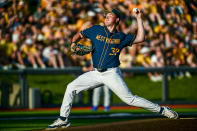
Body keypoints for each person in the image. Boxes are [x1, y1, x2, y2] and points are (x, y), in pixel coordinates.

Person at [47, 8, 178, 130]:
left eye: (110, 15)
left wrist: (138, 18)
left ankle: (162, 110)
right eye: (106, 16)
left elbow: (141, 38)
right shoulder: (96, 29)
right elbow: (79, 34)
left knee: (129, 99)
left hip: (112, 73)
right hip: (95, 73)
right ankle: (63, 119)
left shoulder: (121, 37)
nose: (107, 17)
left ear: (117, 20)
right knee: (71, 87)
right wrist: (73, 44)